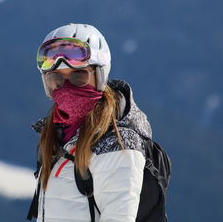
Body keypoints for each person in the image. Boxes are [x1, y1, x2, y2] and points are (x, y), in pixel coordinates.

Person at [30, 23, 154, 222]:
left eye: (79, 76)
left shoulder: (118, 142)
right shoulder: (57, 133)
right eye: (56, 79)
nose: (67, 88)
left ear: (100, 75)